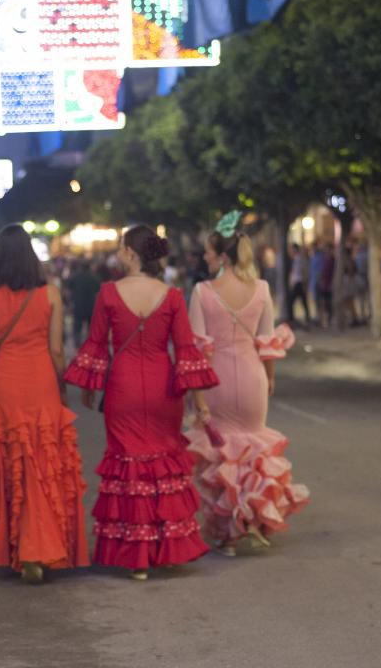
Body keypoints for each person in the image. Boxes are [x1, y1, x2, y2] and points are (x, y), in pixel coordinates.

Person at [64, 225, 217, 580]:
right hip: (165, 388)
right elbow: (186, 351)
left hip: (123, 387)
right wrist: (200, 401)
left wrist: (90, 385)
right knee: (164, 461)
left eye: (121, 247)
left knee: (129, 463)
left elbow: (97, 344)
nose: (118, 253)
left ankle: (138, 557)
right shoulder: (173, 295)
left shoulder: (109, 293)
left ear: (131, 254)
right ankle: (168, 548)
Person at [0, 224, 89, 584]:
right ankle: (40, 544)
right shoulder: (51, 294)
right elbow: (58, 350)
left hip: (5, 381)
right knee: (41, 461)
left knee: (9, 459)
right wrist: (61, 388)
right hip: (40, 378)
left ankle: (18, 545)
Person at [187, 214, 309, 556]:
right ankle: (253, 520)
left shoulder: (202, 292)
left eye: (210, 253)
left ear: (222, 256)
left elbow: (198, 351)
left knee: (223, 455)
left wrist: (197, 398)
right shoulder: (262, 290)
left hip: (216, 380)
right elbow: (267, 342)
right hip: (253, 376)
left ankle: (227, 535)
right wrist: (269, 379)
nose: (206, 258)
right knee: (253, 450)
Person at [66, 261, 101, 347]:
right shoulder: (94, 278)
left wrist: (69, 303)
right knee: (90, 327)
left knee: (77, 327)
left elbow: (68, 291)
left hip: (78, 305)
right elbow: (98, 293)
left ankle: (77, 345)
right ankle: (90, 344)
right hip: (91, 306)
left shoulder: (75, 277)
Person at [287, 243, 310, 327]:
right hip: (295, 283)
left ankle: (307, 318)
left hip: (300, 282)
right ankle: (292, 319)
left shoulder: (301, 259)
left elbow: (304, 270)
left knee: (303, 301)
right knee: (292, 302)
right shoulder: (292, 259)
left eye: (292, 249)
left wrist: (305, 282)